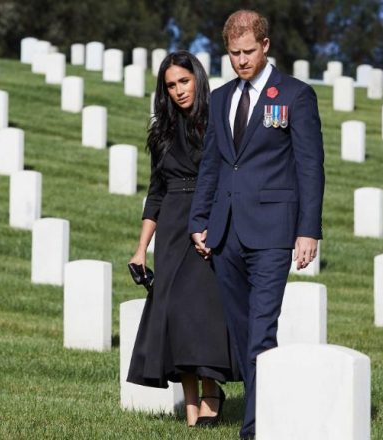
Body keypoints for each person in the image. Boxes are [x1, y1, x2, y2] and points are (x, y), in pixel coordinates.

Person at [188, 10, 325, 440]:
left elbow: (310, 166)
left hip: (272, 233)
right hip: (225, 232)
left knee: (262, 330)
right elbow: (211, 163)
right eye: (234, 54)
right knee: (244, 332)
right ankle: (272, 409)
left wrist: (309, 230)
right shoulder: (223, 97)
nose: (242, 60)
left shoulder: (296, 96)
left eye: (249, 51)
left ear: (266, 46)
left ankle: (256, 429)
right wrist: (200, 220)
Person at [127, 50, 240, 428]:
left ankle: (212, 392)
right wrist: (142, 248)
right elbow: (155, 191)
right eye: (170, 85)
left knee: (200, 312)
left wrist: (215, 223)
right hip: (172, 226)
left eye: (184, 81)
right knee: (174, 314)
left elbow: (228, 177)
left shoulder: (217, 121)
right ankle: (191, 409)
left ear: (198, 79)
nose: (178, 90)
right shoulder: (160, 131)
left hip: (206, 219)